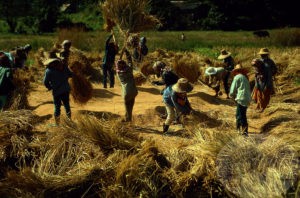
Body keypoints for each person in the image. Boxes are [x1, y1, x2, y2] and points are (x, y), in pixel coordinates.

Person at [43, 58, 73, 126]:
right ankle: (69, 120)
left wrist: (49, 87)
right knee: (67, 105)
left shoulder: (49, 71)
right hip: (66, 90)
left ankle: (57, 123)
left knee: (57, 107)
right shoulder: (65, 68)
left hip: (57, 92)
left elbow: (45, 82)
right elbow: (71, 75)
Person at [229, 64, 251, 136]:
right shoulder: (245, 77)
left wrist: (231, 95)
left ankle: (244, 132)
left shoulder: (237, 77)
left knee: (240, 115)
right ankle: (240, 130)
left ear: (236, 71)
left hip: (241, 98)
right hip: (247, 98)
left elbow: (232, 89)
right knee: (240, 114)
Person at [116, 49, 138, 122]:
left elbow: (118, 64)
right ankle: (128, 119)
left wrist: (121, 55)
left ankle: (128, 120)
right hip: (133, 91)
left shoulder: (119, 73)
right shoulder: (129, 69)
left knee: (127, 108)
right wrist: (126, 52)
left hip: (126, 93)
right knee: (131, 107)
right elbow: (130, 61)